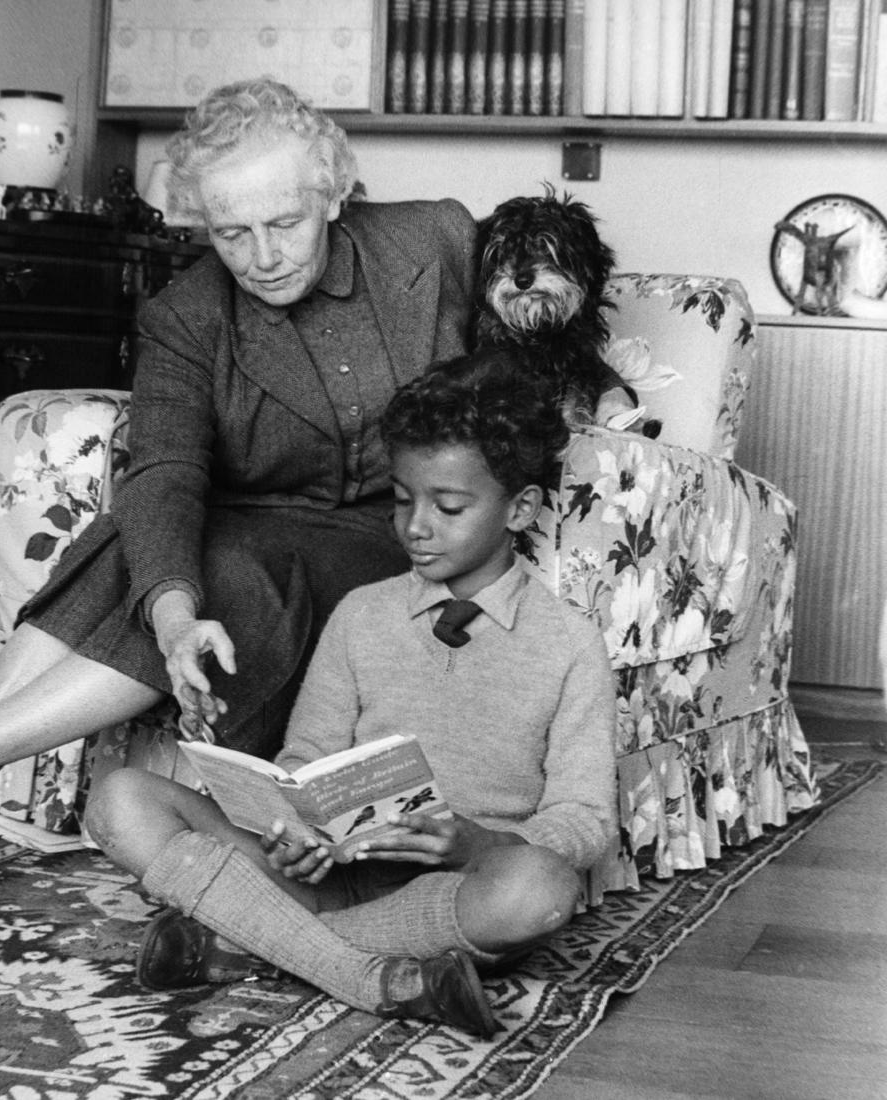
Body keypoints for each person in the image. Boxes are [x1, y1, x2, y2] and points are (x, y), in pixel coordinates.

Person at [0, 79, 476, 866]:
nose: (262, 257)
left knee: (226, 568)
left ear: (335, 194)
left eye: (284, 223)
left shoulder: (435, 241)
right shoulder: (187, 314)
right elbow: (167, 469)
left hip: (382, 534)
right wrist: (174, 621)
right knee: (136, 543)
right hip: (251, 517)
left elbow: (545, 314)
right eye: (231, 232)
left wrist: (600, 386)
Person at [85, 347, 618, 1036]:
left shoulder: (570, 643)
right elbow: (308, 755)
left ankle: (253, 939)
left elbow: (584, 820)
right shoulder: (364, 613)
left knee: (542, 890)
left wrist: (481, 844)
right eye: (401, 501)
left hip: (458, 887)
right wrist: (296, 829)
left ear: (521, 510)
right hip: (329, 874)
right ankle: (368, 975)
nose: (416, 527)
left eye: (448, 506)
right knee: (121, 798)